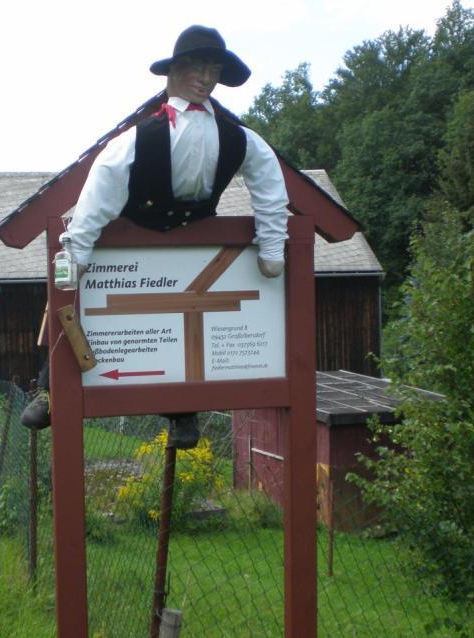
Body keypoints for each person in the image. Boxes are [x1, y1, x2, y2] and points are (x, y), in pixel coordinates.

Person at [22, 25, 289, 448]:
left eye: (213, 69)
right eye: (197, 66)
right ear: (175, 70)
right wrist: (77, 249)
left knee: (186, 324)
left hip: (192, 247)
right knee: (79, 308)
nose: (205, 77)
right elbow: (101, 189)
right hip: (132, 237)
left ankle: (184, 413)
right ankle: (49, 391)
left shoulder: (239, 139)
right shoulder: (138, 138)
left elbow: (270, 187)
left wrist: (272, 243)